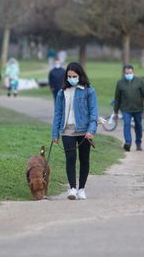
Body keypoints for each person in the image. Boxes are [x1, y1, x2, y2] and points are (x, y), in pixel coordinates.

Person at [51, 62, 98, 200]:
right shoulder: (62, 92)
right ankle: (72, 188)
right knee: (70, 159)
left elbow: (93, 112)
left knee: (84, 160)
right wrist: (55, 134)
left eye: (74, 76)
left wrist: (91, 130)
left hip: (84, 131)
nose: (72, 78)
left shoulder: (89, 91)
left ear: (80, 75)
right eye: (69, 76)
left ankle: (82, 189)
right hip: (67, 130)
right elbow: (58, 113)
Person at [113, 65, 144, 152]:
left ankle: (138, 143)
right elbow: (117, 98)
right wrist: (116, 111)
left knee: (138, 126)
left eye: (130, 73)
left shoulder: (140, 81)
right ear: (124, 73)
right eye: (127, 73)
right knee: (126, 124)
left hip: (138, 108)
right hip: (125, 109)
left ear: (133, 72)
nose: (128, 74)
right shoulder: (120, 83)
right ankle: (128, 143)